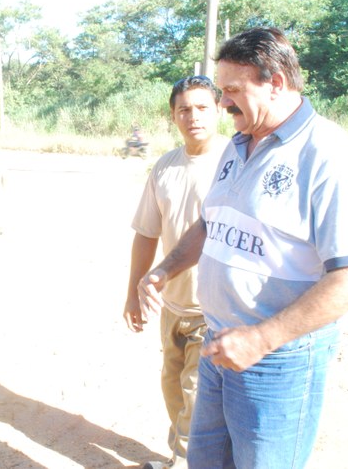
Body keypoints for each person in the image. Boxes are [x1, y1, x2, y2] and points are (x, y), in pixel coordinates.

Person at [138, 27, 348, 469]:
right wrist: (165, 269)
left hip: (277, 361)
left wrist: (262, 339)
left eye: (232, 90)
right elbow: (212, 222)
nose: (223, 102)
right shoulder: (237, 144)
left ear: (276, 83)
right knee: (206, 461)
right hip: (218, 346)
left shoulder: (326, 153)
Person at [123, 75, 228, 469]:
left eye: (202, 107)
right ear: (173, 115)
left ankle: (184, 463)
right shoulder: (165, 166)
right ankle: (182, 457)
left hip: (213, 310)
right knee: (174, 394)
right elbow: (145, 234)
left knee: (197, 401)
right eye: (184, 109)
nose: (193, 116)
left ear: (219, 110)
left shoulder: (233, 163)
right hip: (172, 307)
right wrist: (134, 292)